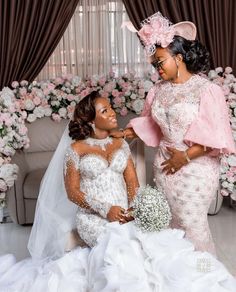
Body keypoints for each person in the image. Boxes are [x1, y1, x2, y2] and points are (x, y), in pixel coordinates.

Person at [0, 89, 236, 291]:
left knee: (157, 246)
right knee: (120, 246)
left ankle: (191, 274)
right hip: (93, 218)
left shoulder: (121, 143)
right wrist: (106, 210)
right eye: (105, 111)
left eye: (110, 108)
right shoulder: (76, 150)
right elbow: (72, 192)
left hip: (125, 212)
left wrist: (134, 208)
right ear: (91, 120)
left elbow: (132, 184)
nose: (112, 113)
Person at [113, 12, 236, 256]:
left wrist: (186, 156)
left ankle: (205, 276)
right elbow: (150, 122)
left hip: (197, 166)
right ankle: (177, 275)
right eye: (154, 64)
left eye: (160, 62)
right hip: (164, 164)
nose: (157, 68)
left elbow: (216, 133)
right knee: (169, 224)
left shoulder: (207, 90)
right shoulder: (157, 90)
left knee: (193, 225)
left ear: (178, 57)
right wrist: (125, 132)